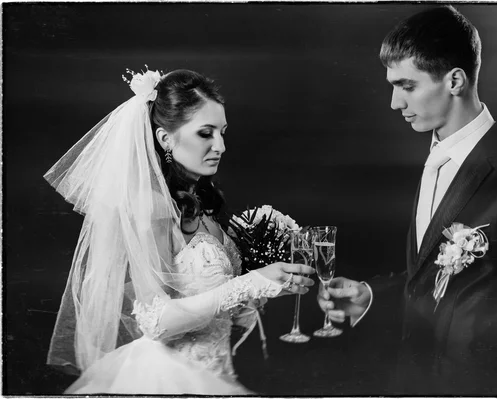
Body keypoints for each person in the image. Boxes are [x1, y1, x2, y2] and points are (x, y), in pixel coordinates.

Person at [318, 5, 497, 395]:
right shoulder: (436, 157)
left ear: (454, 80)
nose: (394, 103)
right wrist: (370, 297)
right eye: (392, 86)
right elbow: (432, 282)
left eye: (407, 86)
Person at [45, 67, 315, 394]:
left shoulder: (202, 208)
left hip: (214, 376)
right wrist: (249, 284)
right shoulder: (153, 208)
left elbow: (214, 308)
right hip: (167, 379)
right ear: (165, 138)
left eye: (222, 132)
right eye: (206, 133)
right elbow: (155, 322)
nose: (221, 146)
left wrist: (264, 290)